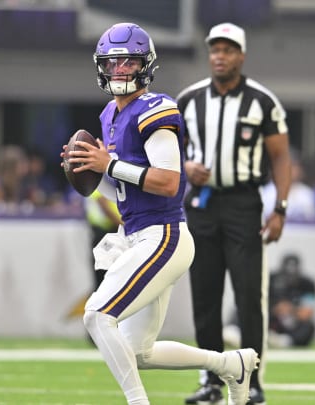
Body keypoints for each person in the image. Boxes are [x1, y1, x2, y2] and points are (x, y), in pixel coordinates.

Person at [64, 22, 259, 405]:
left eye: (129, 61)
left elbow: (170, 182)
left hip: (164, 235)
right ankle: (231, 364)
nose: (120, 70)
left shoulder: (157, 107)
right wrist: (89, 165)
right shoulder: (109, 114)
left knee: (97, 315)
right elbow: (121, 182)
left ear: (146, 65)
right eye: (113, 62)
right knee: (139, 352)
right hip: (137, 235)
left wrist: (108, 164)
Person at [176, 22, 291, 405]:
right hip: (202, 205)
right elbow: (164, 149)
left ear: (241, 55)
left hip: (244, 205)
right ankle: (210, 380)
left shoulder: (261, 100)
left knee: (248, 298)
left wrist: (280, 209)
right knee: (204, 296)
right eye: (215, 50)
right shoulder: (189, 100)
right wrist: (185, 166)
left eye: (228, 50)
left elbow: (280, 157)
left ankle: (251, 381)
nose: (220, 56)